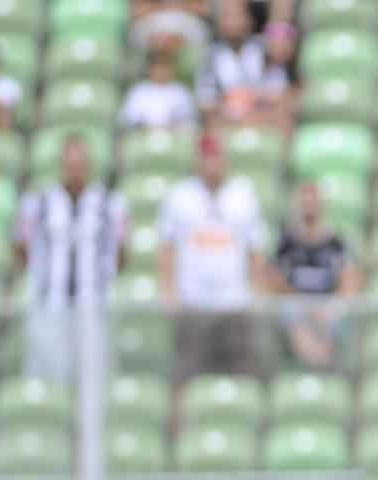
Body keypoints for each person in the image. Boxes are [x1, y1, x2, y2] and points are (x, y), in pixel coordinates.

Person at [14, 134, 130, 383]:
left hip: (93, 304)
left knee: (92, 378)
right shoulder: (38, 202)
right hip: (51, 305)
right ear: (61, 165)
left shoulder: (110, 203)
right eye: (70, 163)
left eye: (80, 163)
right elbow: (22, 250)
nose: (75, 170)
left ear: (89, 165)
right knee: (50, 375)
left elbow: (120, 254)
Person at [158, 133, 266, 387]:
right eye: (207, 157)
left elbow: (255, 250)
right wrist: (168, 292)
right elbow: (167, 248)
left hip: (233, 302)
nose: (213, 164)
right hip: (193, 302)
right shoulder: (180, 196)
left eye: (217, 157)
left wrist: (257, 292)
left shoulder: (243, 195)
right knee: (188, 372)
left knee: (240, 370)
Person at [271, 182, 361, 369]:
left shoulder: (335, 242)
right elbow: (275, 278)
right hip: (296, 303)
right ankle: (319, 364)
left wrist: (331, 305)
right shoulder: (287, 241)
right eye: (305, 202)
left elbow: (350, 278)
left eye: (313, 202)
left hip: (326, 303)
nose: (309, 207)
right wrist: (301, 301)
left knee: (336, 314)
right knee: (291, 314)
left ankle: (322, 365)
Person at [196, 0, 293, 132]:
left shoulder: (266, 48)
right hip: (227, 120)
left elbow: (279, 92)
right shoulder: (210, 57)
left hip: (263, 116)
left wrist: (252, 101)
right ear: (218, 23)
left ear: (249, 20)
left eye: (238, 15)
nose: (233, 22)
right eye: (227, 17)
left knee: (284, 114)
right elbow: (207, 101)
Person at [118, 49, 198, 130]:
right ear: (149, 69)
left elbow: (189, 122)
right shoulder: (138, 91)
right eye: (158, 67)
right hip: (143, 137)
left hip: (174, 137)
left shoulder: (182, 92)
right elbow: (128, 120)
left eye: (165, 67)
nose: (161, 71)